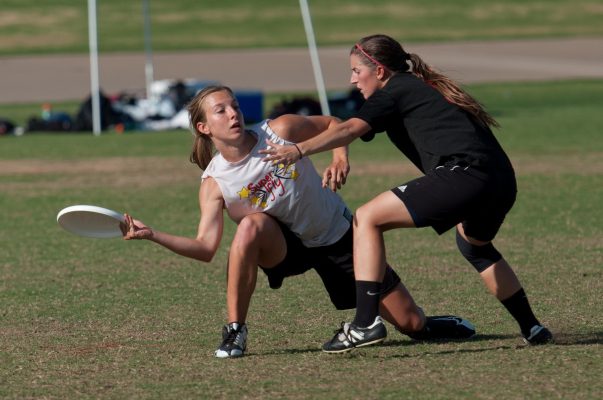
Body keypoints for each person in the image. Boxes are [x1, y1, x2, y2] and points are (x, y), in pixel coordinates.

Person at [122, 85, 476, 358]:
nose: (233, 114)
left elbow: (335, 124)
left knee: (411, 323)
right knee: (250, 226)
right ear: (203, 127)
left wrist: (339, 157)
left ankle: (429, 324)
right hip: (286, 246)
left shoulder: (279, 130)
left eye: (235, 106)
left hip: (336, 235)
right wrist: (152, 234)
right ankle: (235, 330)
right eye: (221, 110)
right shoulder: (215, 183)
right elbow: (204, 248)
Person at [261, 34, 552, 352]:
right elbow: (347, 128)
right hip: (501, 180)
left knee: (367, 218)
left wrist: (298, 150)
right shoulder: (416, 87)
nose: (352, 79)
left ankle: (364, 324)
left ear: (380, 71)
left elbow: (347, 129)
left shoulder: (396, 90)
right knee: (475, 247)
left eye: (357, 71)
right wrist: (340, 156)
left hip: (465, 174)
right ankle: (532, 326)